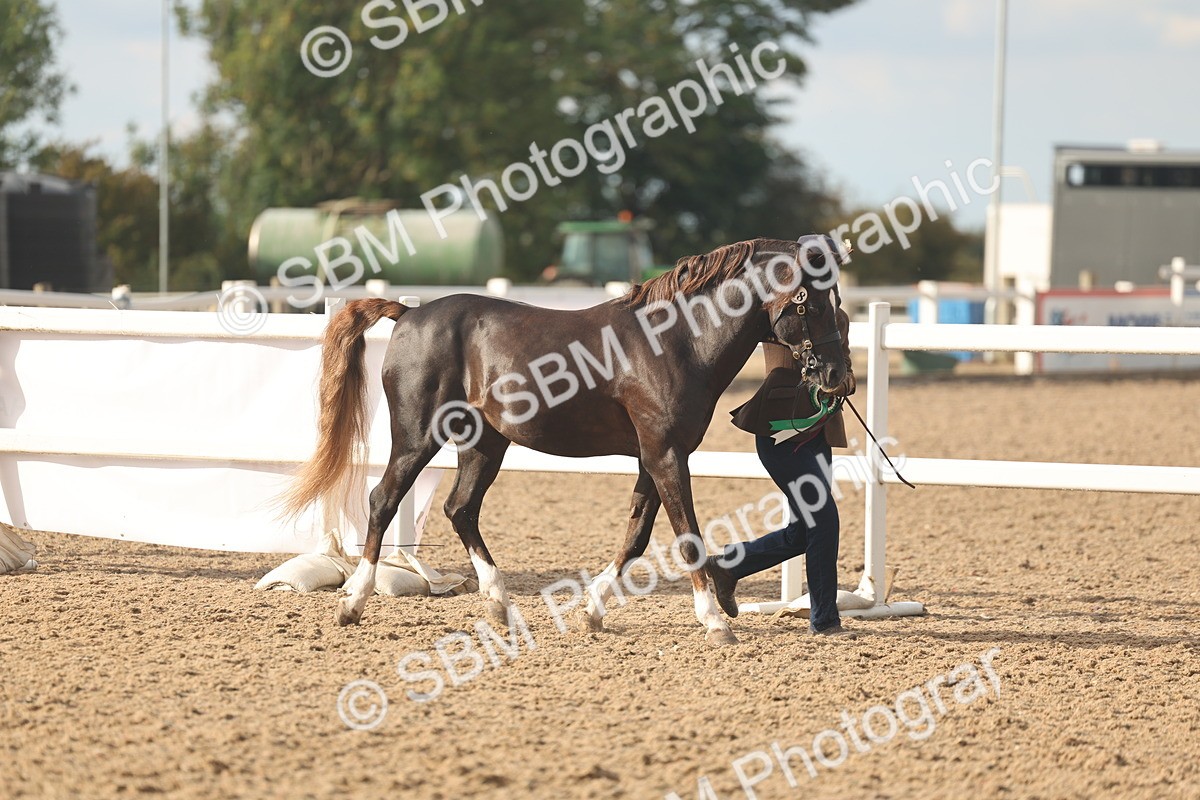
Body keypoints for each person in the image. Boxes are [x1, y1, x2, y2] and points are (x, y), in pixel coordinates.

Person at [707, 279, 856, 636]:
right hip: (779, 434)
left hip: (817, 436)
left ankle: (729, 565)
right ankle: (825, 620)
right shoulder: (780, 316)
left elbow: (846, 372)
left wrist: (841, 383)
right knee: (824, 522)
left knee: (803, 533)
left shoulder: (839, 320)